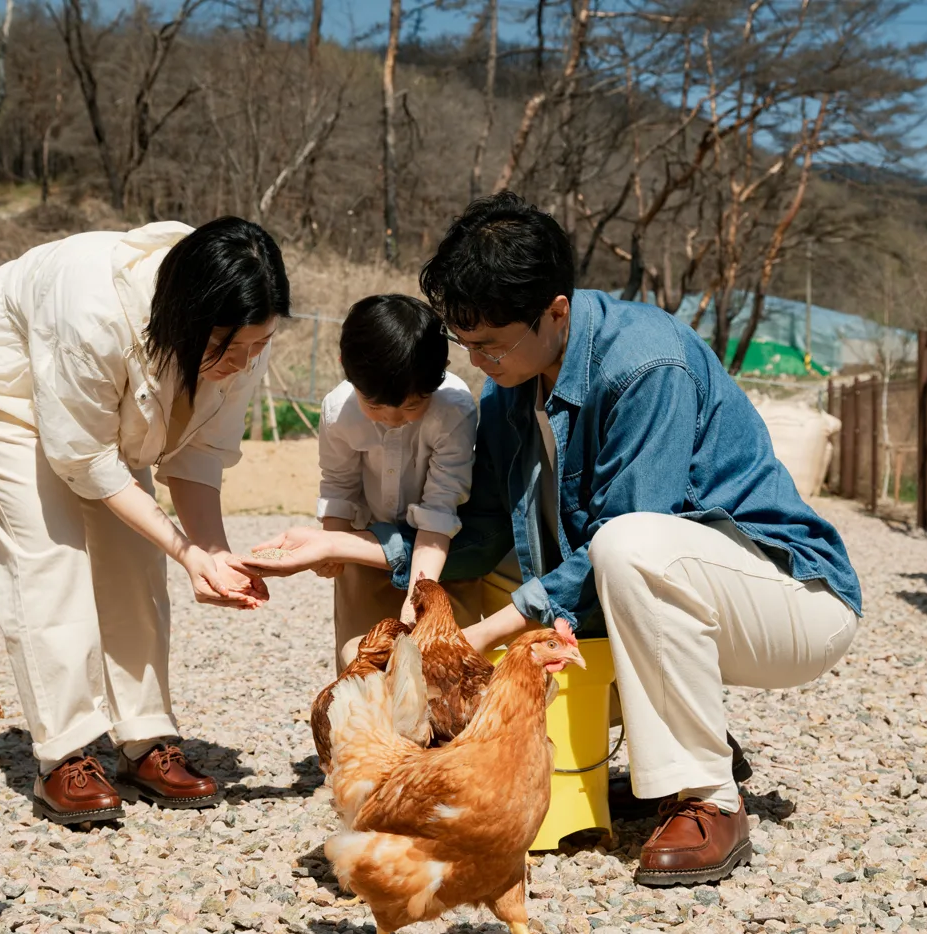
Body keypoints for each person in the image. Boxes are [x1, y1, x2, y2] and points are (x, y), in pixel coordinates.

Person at [240, 192, 861, 887]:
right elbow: (479, 531)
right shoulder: (513, 392)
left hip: (791, 598)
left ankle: (709, 796)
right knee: (540, 578)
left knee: (626, 545)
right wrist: (352, 549)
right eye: (466, 344)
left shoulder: (645, 366)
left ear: (556, 312)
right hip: (686, 594)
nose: (477, 363)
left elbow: (613, 551)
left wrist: (472, 643)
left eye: (490, 345)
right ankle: (657, 754)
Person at [0, 217, 284, 824]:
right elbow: (85, 459)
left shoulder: (242, 335)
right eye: (228, 350)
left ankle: (145, 738)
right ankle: (65, 754)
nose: (245, 362)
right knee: (50, 552)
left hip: (100, 409)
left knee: (135, 557)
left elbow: (198, 452)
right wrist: (187, 552)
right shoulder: (93, 311)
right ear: (185, 317)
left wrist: (212, 554)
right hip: (7, 390)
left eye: (258, 346)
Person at [312, 294, 480, 668]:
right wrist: (330, 543)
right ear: (346, 368)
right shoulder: (339, 410)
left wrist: (421, 590)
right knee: (362, 660)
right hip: (367, 546)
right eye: (375, 406)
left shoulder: (453, 409)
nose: (391, 418)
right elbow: (339, 484)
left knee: (442, 666)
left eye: (411, 406)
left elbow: (441, 509)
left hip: (442, 550)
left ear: (437, 377)